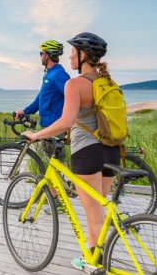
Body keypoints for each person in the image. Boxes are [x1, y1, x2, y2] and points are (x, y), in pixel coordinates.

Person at [21, 32, 120, 270]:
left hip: (88, 152)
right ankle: (97, 257)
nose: (71, 57)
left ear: (83, 55)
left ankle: (91, 262)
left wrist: (35, 135)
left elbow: (66, 122)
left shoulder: (75, 84)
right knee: (99, 209)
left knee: (93, 214)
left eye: (74, 53)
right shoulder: (107, 82)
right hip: (113, 151)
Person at [14, 40, 70, 168]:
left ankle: (67, 186)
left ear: (48, 55)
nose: (40, 56)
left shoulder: (59, 75)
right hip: (47, 125)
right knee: (54, 163)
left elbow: (72, 96)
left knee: (59, 163)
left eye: (41, 53)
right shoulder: (49, 74)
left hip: (54, 126)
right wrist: (26, 111)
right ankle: (58, 187)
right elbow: (41, 98)